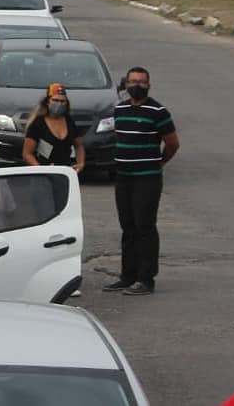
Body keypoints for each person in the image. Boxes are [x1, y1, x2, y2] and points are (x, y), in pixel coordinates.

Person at [104, 66, 179, 297]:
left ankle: (146, 279)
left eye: (141, 82)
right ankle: (127, 275)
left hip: (147, 179)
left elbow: (172, 143)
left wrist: (159, 162)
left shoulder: (158, 111)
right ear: (125, 84)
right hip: (123, 178)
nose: (136, 85)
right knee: (127, 227)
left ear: (149, 85)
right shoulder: (120, 109)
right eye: (132, 81)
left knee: (144, 226)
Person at [22, 83, 85, 173]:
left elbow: (78, 145)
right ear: (48, 101)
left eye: (62, 101)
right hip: (44, 174)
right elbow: (27, 154)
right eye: (55, 100)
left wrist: (81, 163)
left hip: (65, 172)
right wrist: (41, 170)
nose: (58, 104)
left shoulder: (69, 121)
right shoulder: (38, 123)